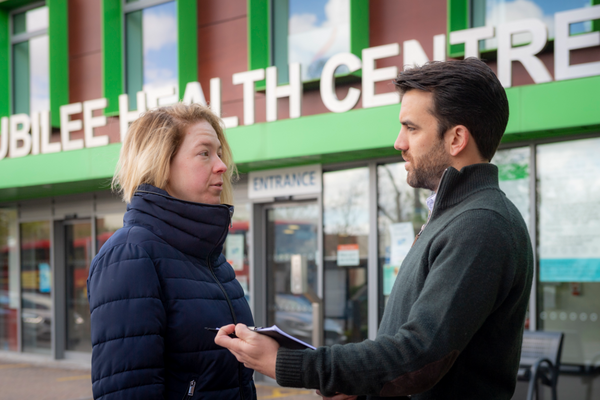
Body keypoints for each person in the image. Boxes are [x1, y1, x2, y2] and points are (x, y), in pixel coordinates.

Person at [215, 58, 534, 400]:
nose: (399, 143)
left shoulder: (480, 223)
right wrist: (357, 388)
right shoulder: (454, 217)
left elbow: (419, 355)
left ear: (456, 138)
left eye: (411, 128)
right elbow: (410, 353)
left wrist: (289, 362)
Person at [87, 103, 256, 400]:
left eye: (218, 153)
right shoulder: (130, 255)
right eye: (204, 153)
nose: (221, 165)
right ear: (162, 165)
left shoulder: (209, 256)